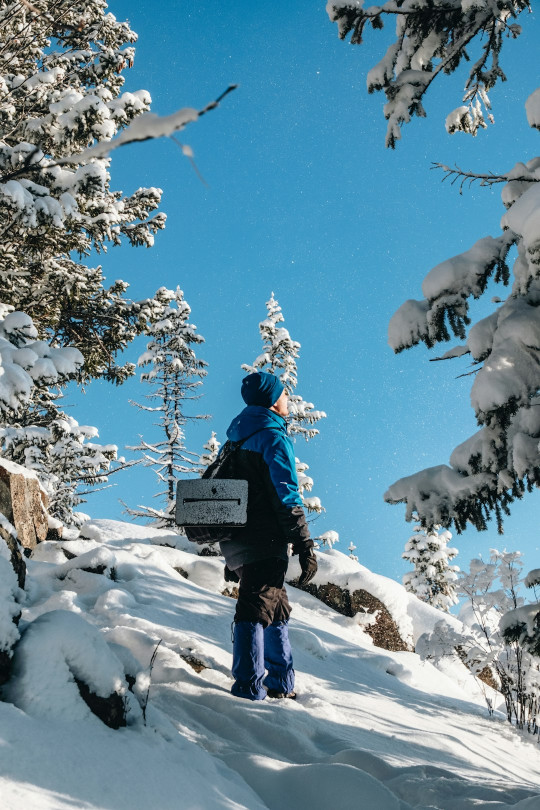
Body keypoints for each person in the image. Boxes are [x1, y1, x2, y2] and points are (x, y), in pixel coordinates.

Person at [221, 370, 318, 701]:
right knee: (253, 608)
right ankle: (247, 689)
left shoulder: (237, 438)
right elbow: (286, 493)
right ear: (273, 400)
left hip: (238, 539)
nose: (287, 398)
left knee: (276, 606)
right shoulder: (272, 437)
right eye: (284, 394)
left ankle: (281, 684)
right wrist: (304, 544)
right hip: (262, 538)